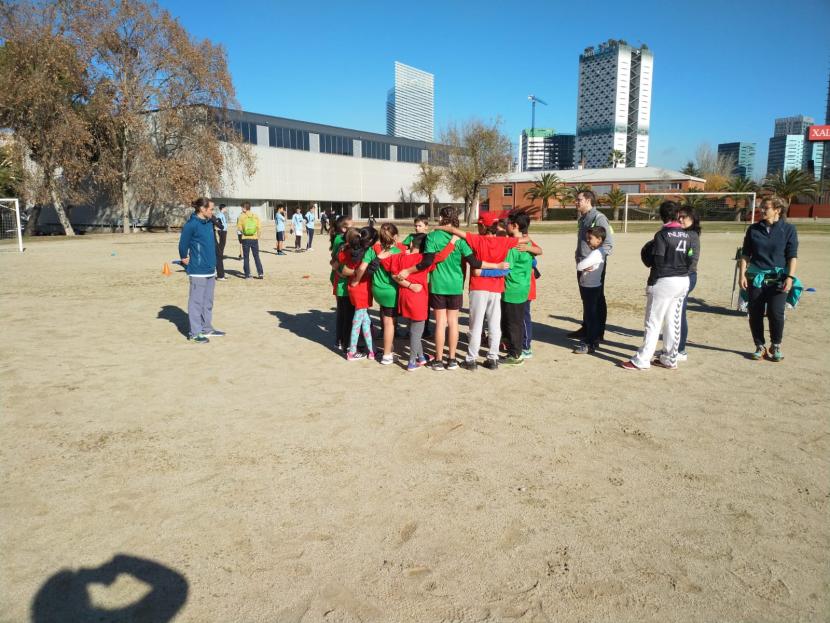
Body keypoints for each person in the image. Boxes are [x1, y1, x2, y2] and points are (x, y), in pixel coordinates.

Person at [435, 213, 525, 371]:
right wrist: (521, 244)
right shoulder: (504, 241)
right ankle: (493, 358)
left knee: (476, 325)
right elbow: (525, 239)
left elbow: (454, 231)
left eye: (479, 225)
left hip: (478, 287)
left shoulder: (477, 239)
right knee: (494, 324)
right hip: (496, 288)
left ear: (483, 226)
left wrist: (439, 227)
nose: (477, 227)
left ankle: (471, 359)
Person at [621, 201, 696, 371]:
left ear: (662, 216)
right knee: (673, 320)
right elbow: (690, 258)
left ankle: (642, 359)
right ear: (678, 215)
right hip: (683, 280)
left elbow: (658, 260)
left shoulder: (662, 235)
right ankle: (670, 357)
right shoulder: (688, 236)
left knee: (653, 322)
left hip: (664, 280)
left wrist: (652, 282)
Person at [380, 233, 459, 371]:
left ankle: (421, 356)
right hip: (418, 298)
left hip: (403, 297)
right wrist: (452, 241)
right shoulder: (423, 259)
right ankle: (411, 362)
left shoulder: (399, 257)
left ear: (411, 244)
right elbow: (441, 257)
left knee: (414, 328)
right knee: (416, 332)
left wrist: (382, 253)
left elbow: (385, 264)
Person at [738, 196, 800, 362]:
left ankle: (776, 345)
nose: (761, 210)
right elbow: (745, 254)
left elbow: (792, 256)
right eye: (761, 207)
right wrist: (742, 274)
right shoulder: (753, 229)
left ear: (777, 210)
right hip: (756, 278)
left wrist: (790, 277)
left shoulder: (788, 230)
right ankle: (759, 346)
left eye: (766, 207)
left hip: (779, 278)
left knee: (776, 312)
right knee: (755, 313)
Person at [351, 223, 406, 365]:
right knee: (390, 322)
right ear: (395, 237)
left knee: (384, 314)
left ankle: (389, 345)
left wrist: (356, 280)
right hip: (391, 291)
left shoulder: (373, 249)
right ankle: (387, 354)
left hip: (377, 290)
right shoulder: (399, 250)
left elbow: (362, 267)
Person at [178, 198, 224, 343]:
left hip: (211, 268)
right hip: (198, 269)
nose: (213, 211)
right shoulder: (192, 224)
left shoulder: (209, 222)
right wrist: (184, 256)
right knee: (196, 302)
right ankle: (195, 332)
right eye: (211, 209)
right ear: (202, 210)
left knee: (208, 301)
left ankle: (206, 328)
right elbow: (183, 243)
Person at [500, 210, 543, 365]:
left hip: (512, 289)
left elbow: (505, 268)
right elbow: (537, 251)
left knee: (512, 323)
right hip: (523, 288)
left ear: (515, 226)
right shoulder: (527, 243)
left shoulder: (514, 246)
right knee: (517, 321)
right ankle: (517, 350)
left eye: (508, 224)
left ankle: (516, 354)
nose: (506, 226)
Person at [571, 190, 613, 340]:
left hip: (593, 267)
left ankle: (597, 333)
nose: (576, 202)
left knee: (597, 299)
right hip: (583, 265)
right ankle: (587, 327)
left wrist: (595, 263)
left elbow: (608, 244)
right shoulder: (582, 219)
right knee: (586, 298)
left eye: (579, 199)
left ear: (588, 200)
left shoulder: (599, 218)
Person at [339, 228, 375, 361]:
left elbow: (340, 263)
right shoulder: (365, 253)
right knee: (357, 321)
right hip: (362, 288)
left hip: (354, 288)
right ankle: (352, 351)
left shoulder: (346, 251)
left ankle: (371, 350)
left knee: (365, 320)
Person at [573, 226, 607, 354]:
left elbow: (580, 265)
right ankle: (593, 340)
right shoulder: (601, 251)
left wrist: (582, 265)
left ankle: (590, 343)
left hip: (590, 288)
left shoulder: (596, 253)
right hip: (593, 286)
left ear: (599, 240)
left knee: (591, 317)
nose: (587, 241)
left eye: (590, 238)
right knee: (592, 316)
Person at [676, 207, 701, 360]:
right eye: (679, 217)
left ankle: (680, 350)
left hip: (686, 277)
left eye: (684, 217)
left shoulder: (692, 236)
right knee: (675, 313)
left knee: (679, 313)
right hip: (678, 276)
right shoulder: (680, 234)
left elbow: (692, 260)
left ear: (692, 218)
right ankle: (673, 347)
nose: (680, 220)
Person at [329, 215, 354, 351]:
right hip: (342, 282)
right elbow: (337, 261)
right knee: (345, 313)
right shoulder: (341, 240)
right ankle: (344, 342)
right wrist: (340, 273)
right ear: (344, 228)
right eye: (351, 226)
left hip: (340, 279)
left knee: (342, 312)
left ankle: (340, 340)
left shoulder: (341, 238)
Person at [236, 201, 263, 279]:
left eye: (242, 207)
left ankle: (247, 274)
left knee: (246, 257)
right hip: (254, 238)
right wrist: (257, 236)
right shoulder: (255, 215)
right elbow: (259, 227)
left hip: (245, 238)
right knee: (256, 256)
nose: (241, 209)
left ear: (244, 208)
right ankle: (260, 273)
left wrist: (244, 232)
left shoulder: (241, 216)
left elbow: (239, 228)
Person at [214, 203, 228, 280]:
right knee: (221, 244)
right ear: (223, 208)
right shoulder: (219, 215)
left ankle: (220, 254)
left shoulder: (222, 214)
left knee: (223, 244)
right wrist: (220, 228)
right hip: (222, 231)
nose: (226, 209)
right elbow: (218, 222)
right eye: (225, 208)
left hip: (224, 230)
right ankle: (220, 255)